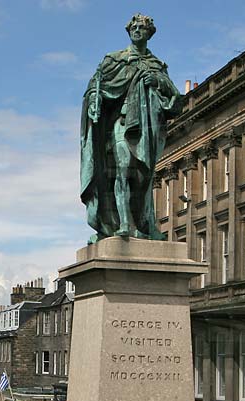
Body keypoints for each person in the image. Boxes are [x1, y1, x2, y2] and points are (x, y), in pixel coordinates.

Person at [80, 13, 181, 243]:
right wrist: (94, 102)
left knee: (144, 178)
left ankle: (147, 224)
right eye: (134, 27)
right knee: (122, 172)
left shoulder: (156, 66)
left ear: (149, 33)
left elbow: (174, 97)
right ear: (129, 31)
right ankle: (124, 223)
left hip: (147, 127)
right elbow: (95, 89)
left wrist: (158, 81)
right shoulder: (114, 60)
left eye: (142, 28)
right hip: (121, 122)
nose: (137, 30)